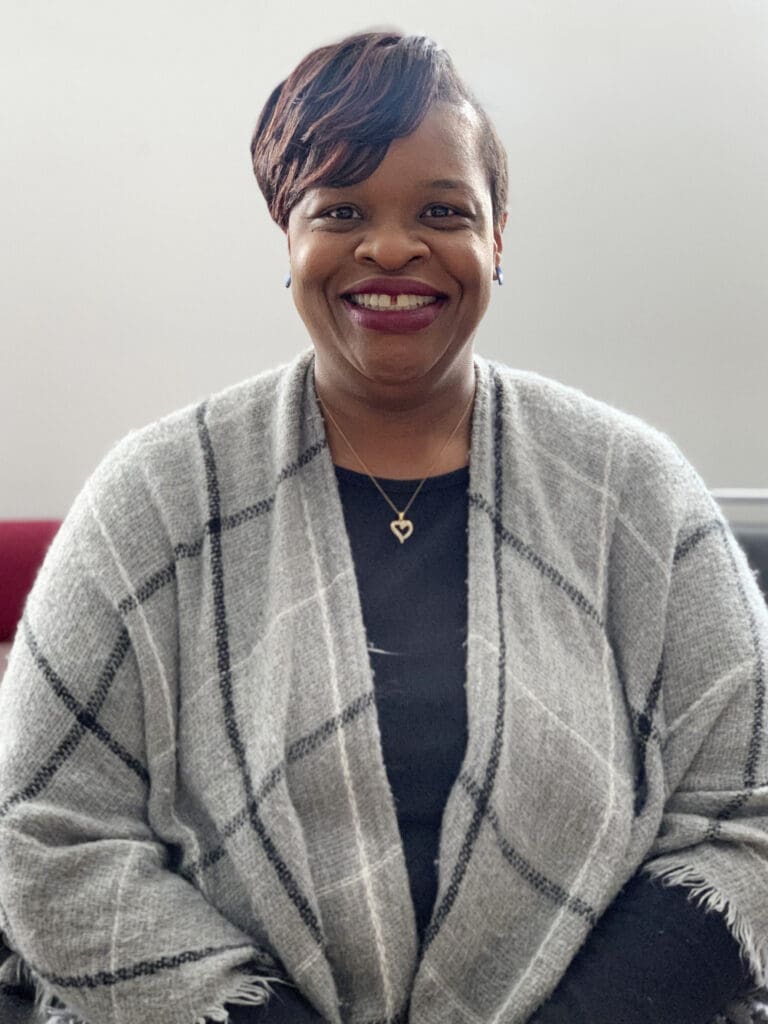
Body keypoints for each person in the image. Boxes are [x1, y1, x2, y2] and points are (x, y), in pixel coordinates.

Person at [0, 29, 766, 1024]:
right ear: (291, 241)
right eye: (343, 211)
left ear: (498, 239)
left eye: (443, 211)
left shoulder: (637, 493)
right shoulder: (152, 497)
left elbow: (747, 812)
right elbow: (47, 828)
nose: (394, 247)